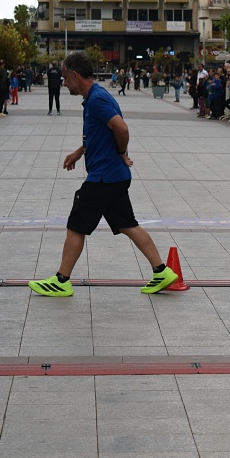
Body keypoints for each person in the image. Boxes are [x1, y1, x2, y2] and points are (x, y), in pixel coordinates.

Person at [29, 52, 178, 297]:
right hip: (115, 176)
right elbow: (103, 132)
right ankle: (162, 271)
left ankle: (61, 281)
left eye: (66, 78)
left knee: (76, 225)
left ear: (75, 75)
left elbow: (121, 128)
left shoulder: (97, 99)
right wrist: (80, 151)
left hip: (103, 177)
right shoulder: (96, 98)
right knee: (128, 224)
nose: (64, 83)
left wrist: (120, 151)